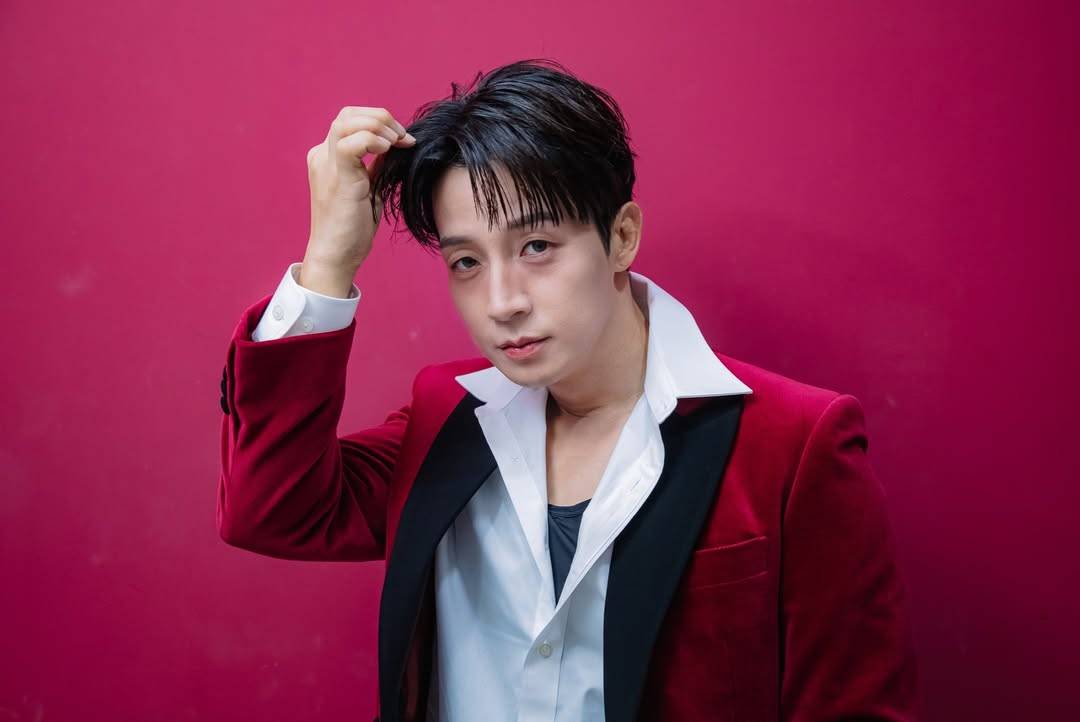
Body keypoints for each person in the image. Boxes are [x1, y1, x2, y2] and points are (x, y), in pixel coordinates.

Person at [217, 58, 920, 722]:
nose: (503, 302)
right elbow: (271, 509)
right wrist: (328, 263)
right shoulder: (447, 417)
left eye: (537, 248)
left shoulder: (793, 443)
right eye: (466, 262)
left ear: (622, 236)